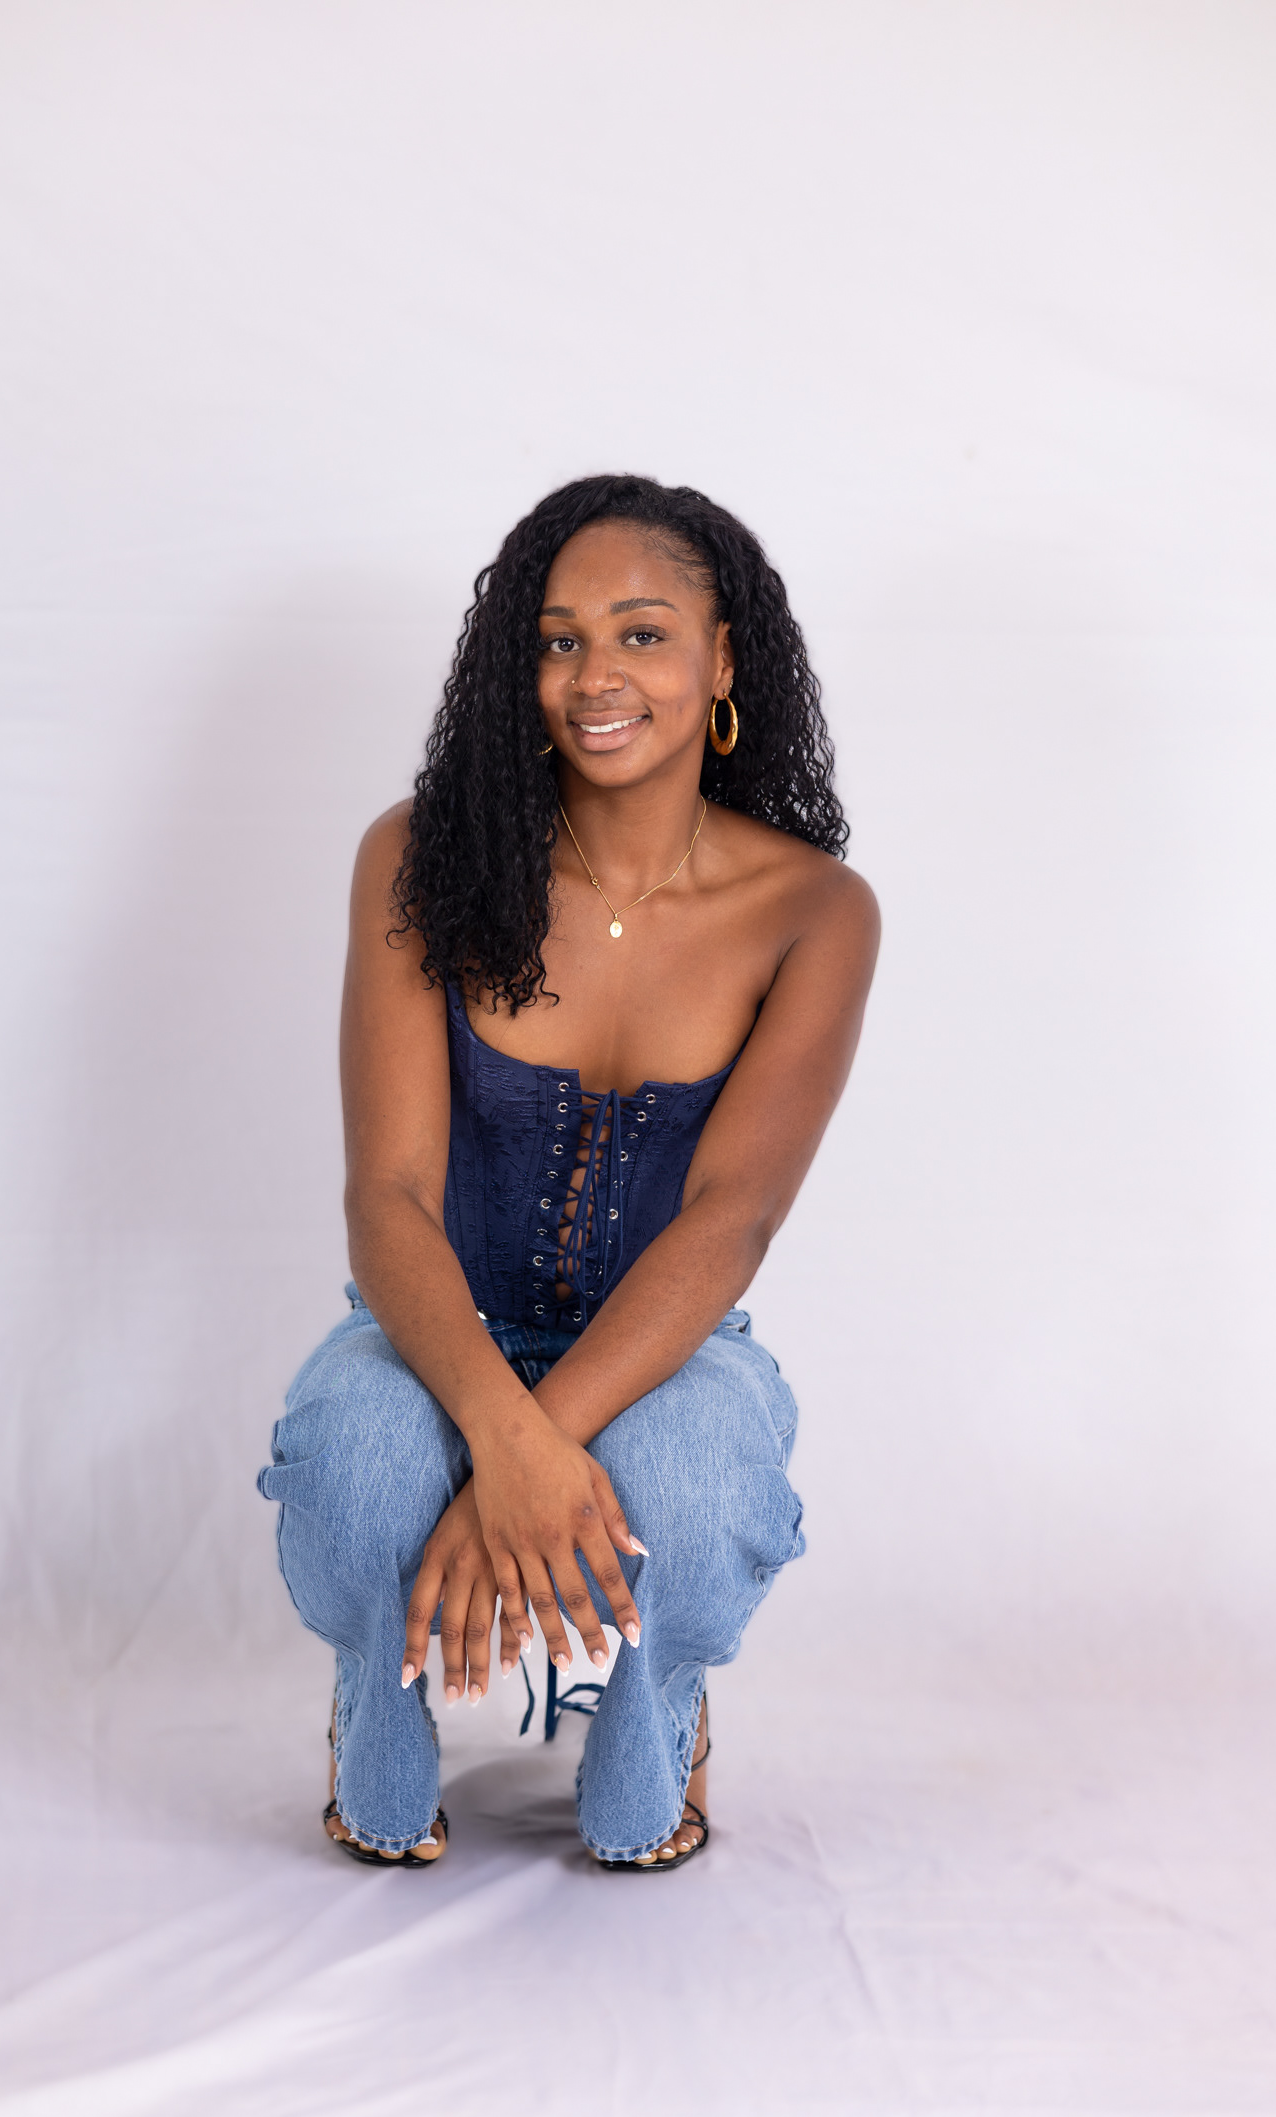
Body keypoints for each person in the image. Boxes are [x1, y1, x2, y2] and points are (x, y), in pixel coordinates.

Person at [257, 475, 879, 1870]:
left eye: (643, 634)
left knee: (696, 1486)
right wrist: (504, 1434)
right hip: (434, 1329)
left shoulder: (815, 911)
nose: (596, 676)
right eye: (558, 640)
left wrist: (528, 1460)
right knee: (360, 1464)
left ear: (724, 659)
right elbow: (387, 1198)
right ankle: (375, 1700)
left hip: (670, 1346)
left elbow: (731, 1217)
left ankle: (660, 1722)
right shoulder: (420, 855)